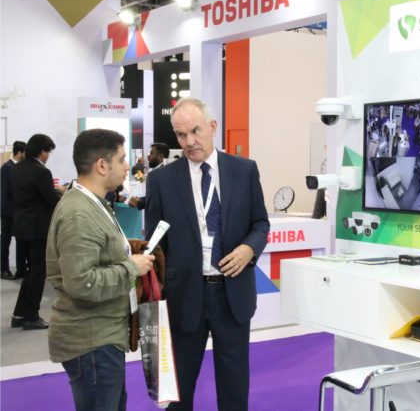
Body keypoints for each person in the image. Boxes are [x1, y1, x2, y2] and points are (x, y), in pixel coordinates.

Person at [145, 97, 270, 411]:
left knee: (234, 387)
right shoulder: (161, 180)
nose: (189, 142)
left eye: (195, 131)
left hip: (232, 293)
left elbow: (260, 223)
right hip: (184, 294)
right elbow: (155, 242)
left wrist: (249, 248)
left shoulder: (244, 170)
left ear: (212, 127)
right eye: (181, 135)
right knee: (179, 389)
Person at [47, 128, 155, 410]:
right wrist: (130, 267)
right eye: (121, 159)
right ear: (102, 166)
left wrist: (126, 249)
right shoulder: (79, 213)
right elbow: (82, 282)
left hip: (102, 336)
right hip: (91, 340)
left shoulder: (91, 204)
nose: (128, 166)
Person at [10, 134, 64, 330]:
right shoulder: (42, 172)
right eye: (48, 152)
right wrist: (61, 192)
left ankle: (19, 314)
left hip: (21, 227)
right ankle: (31, 316)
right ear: (42, 151)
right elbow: (51, 200)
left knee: (30, 272)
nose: (48, 156)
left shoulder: (16, 168)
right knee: (38, 273)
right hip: (38, 229)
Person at [1, 141, 28, 280]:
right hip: (8, 211)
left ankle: (21, 269)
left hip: (18, 211)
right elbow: (7, 191)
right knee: (5, 242)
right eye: (25, 153)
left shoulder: (19, 167)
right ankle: (4, 269)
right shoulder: (7, 167)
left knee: (21, 241)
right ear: (19, 153)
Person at [128, 142, 170, 210]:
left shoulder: (162, 173)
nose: (149, 156)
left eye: (152, 153)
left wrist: (139, 202)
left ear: (160, 156)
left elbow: (158, 199)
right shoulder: (152, 171)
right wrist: (139, 200)